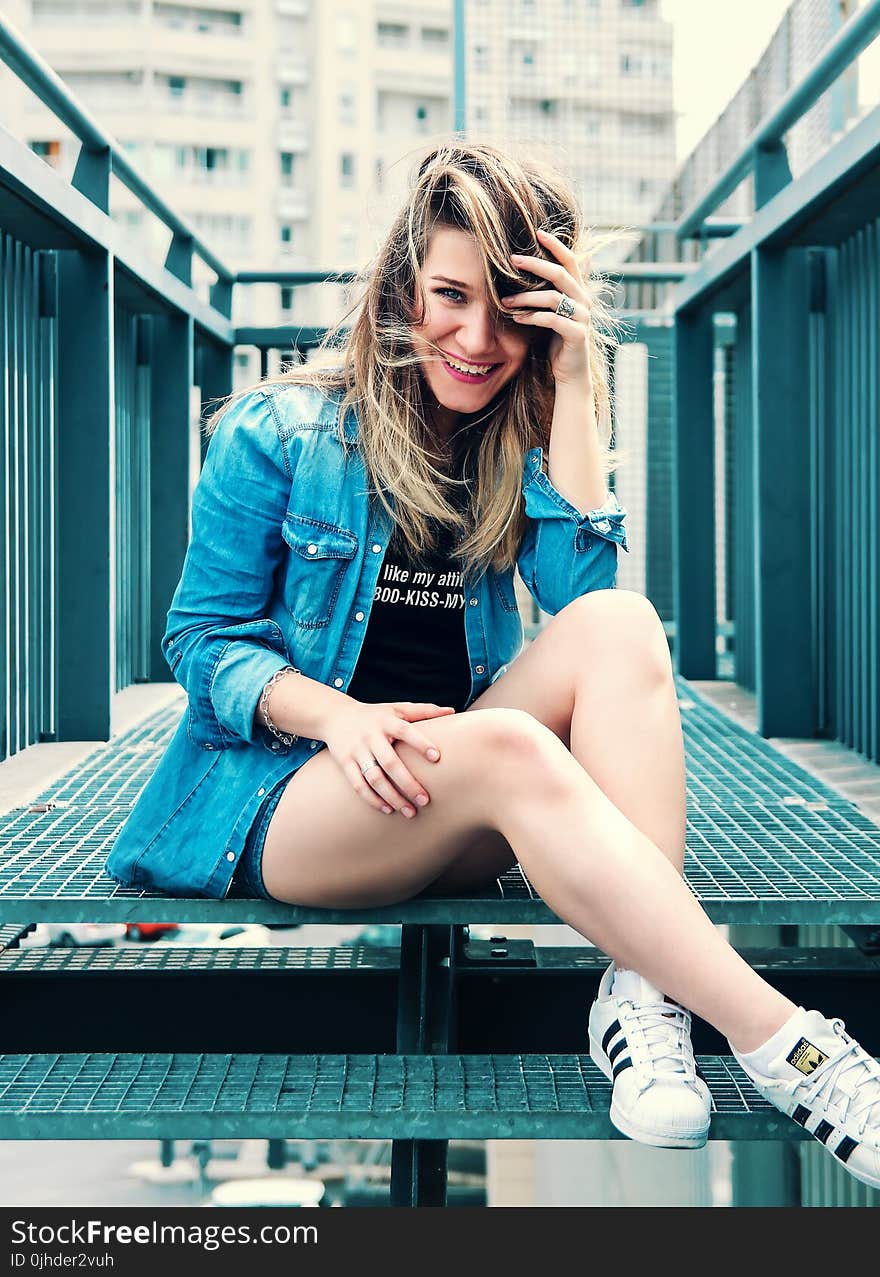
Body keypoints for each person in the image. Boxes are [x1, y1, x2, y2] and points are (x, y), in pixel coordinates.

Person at [105, 140, 880, 1183]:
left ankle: (640, 997)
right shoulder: (278, 431)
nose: (477, 337)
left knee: (624, 626)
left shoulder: (508, 443)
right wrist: (338, 717)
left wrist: (572, 379)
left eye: (512, 308)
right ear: (400, 289)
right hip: (288, 802)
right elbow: (200, 645)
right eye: (449, 297)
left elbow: (586, 602)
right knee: (509, 742)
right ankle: (794, 1048)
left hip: (451, 790)